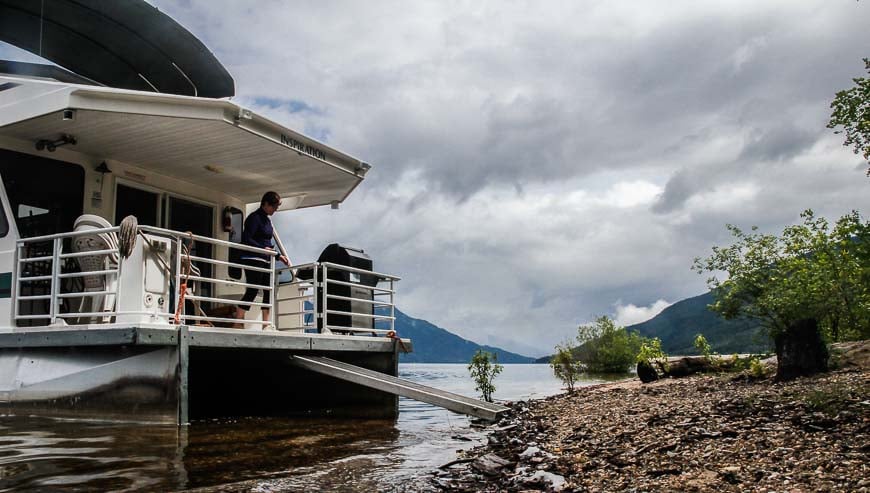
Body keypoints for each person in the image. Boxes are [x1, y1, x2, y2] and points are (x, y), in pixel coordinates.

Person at [235, 191, 290, 329]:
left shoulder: (267, 220)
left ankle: (266, 325)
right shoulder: (254, 218)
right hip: (252, 257)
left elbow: (268, 243)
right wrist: (262, 248)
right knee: (253, 289)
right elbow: (247, 239)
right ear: (265, 204)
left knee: (268, 290)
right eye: (274, 207)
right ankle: (238, 321)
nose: (275, 210)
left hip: (265, 259)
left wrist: (278, 255)